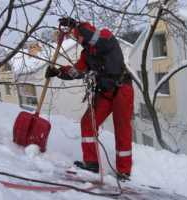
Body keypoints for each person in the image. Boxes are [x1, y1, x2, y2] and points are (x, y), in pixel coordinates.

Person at [45, 18, 134, 177]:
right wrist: (58, 72)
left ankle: (124, 170)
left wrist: (79, 27)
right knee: (88, 123)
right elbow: (76, 71)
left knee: (122, 129)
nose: (77, 41)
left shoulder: (106, 38)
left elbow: (98, 39)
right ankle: (91, 163)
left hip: (122, 89)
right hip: (105, 92)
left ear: (84, 33)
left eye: (78, 37)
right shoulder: (88, 54)